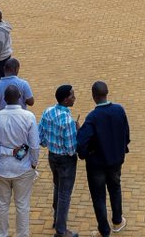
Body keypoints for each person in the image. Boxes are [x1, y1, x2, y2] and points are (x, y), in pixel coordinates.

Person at [76, 81, 130, 237]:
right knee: (115, 189)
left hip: (96, 165)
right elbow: (126, 134)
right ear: (107, 93)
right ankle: (117, 221)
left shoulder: (92, 117)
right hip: (116, 161)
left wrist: (80, 134)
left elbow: (81, 143)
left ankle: (104, 231)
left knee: (99, 197)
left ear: (93, 96)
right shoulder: (119, 110)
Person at [0, 85, 40, 237]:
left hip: (1, 168)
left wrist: (7, 152)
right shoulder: (28, 117)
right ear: (20, 97)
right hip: (23, 168)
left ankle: (2, 234)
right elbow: (35, 146)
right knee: (22, 205)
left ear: (4, 98)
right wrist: (34, 163)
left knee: (2, 204)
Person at [39, 85, 80, 237]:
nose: (74, 98)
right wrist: (78, 131)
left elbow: (40, 137)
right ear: (65, 100)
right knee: (65, 194)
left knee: (57, 187)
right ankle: (61, 231)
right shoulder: (68, 121)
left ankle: (57, 220)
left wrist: (50, 143)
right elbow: (71, 149)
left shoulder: (48, 111)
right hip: (66, 161)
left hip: (52, 157)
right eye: (72, 96)